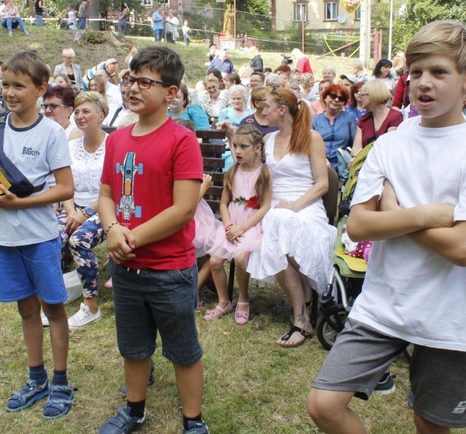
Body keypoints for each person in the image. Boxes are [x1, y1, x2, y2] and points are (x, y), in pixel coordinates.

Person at [307, 20, 466, 434]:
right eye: (415, 73)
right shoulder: (391, 144)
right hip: (381, 305)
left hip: (447, 316)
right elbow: (359, 226)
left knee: (429, 423)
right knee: (324, 404)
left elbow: (465, 248)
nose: (423, 83)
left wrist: (395, 215)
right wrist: (428, 215)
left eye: (439, 72)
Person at [97, 46, 208, 434]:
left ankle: (193, 420)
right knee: (134, 347)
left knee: (183, 350)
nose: (133, 88)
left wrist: (130, 238)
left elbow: (184, 209)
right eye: (130, 79)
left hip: (169, 270)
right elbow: (107, 193)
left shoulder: (182, 141)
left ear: (172, 92)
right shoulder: (116, 140)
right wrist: (113, 230)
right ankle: (134, 409)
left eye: (146, 81)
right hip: (126, 269)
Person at [0, 51, 76, 419]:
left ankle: (60, 382)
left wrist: (20, 205)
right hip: (6, 241)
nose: (10, 93)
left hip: (40, 237)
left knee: (53, 309)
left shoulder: (52, 133)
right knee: (27, 310)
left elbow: (65, 189)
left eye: (19, 85)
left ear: (41, 89)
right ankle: (37, 378)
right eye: (5, 85)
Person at [246, 87, 335, 348]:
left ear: (282, 109)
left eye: (267, 106)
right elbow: (268, 183)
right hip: (276, 207)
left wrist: (295, 205)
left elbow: (322, 184)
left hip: (305, 205)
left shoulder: (311, 137)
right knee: (275, 223)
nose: (262, 111)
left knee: (279, 223)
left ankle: (301, 317)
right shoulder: (270, 139)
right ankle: (302, 311)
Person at [205, 125, 272, 325]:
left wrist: (241, 228)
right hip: (231, 222)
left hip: (250, 224)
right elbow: (224, 204)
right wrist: (228, 227)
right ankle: (224, 301)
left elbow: (264, 207)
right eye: (235, 146)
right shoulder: (232, 172)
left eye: (244, 147)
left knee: (242, 259)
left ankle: (243, 298)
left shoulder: (264, 173)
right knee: (216, 261)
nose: (238, 151)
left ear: (258, 148)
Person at [57, 91, 109, 328]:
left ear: (101, 116)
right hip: (72, 206)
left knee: (78, 240)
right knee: (51, 237)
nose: (79, 116)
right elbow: (64, 185)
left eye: (86, 111)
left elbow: (114, 189)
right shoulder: (71, 146)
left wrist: (85, 212)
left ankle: (91, 305)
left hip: (105, 208)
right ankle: (54, 299)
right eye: (76, 111)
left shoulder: (113, 146)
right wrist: (70, 211)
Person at [312, 84, 358, 179]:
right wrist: (322, 159)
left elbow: (355, 145)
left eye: (341, 99)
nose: (336, 100)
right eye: (333, 96)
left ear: (344, 103)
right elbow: (308, 145)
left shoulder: (349, 118)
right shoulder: (314, 120)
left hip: (341, 166)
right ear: (325, 98)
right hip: (317, 164)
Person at [349, 79, 403, 159]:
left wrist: (362, 154)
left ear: (373, 95)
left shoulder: (395, 117)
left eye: (362, 95)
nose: (360, 98)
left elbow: (388, 148)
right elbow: (354, 150)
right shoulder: (363, 120)